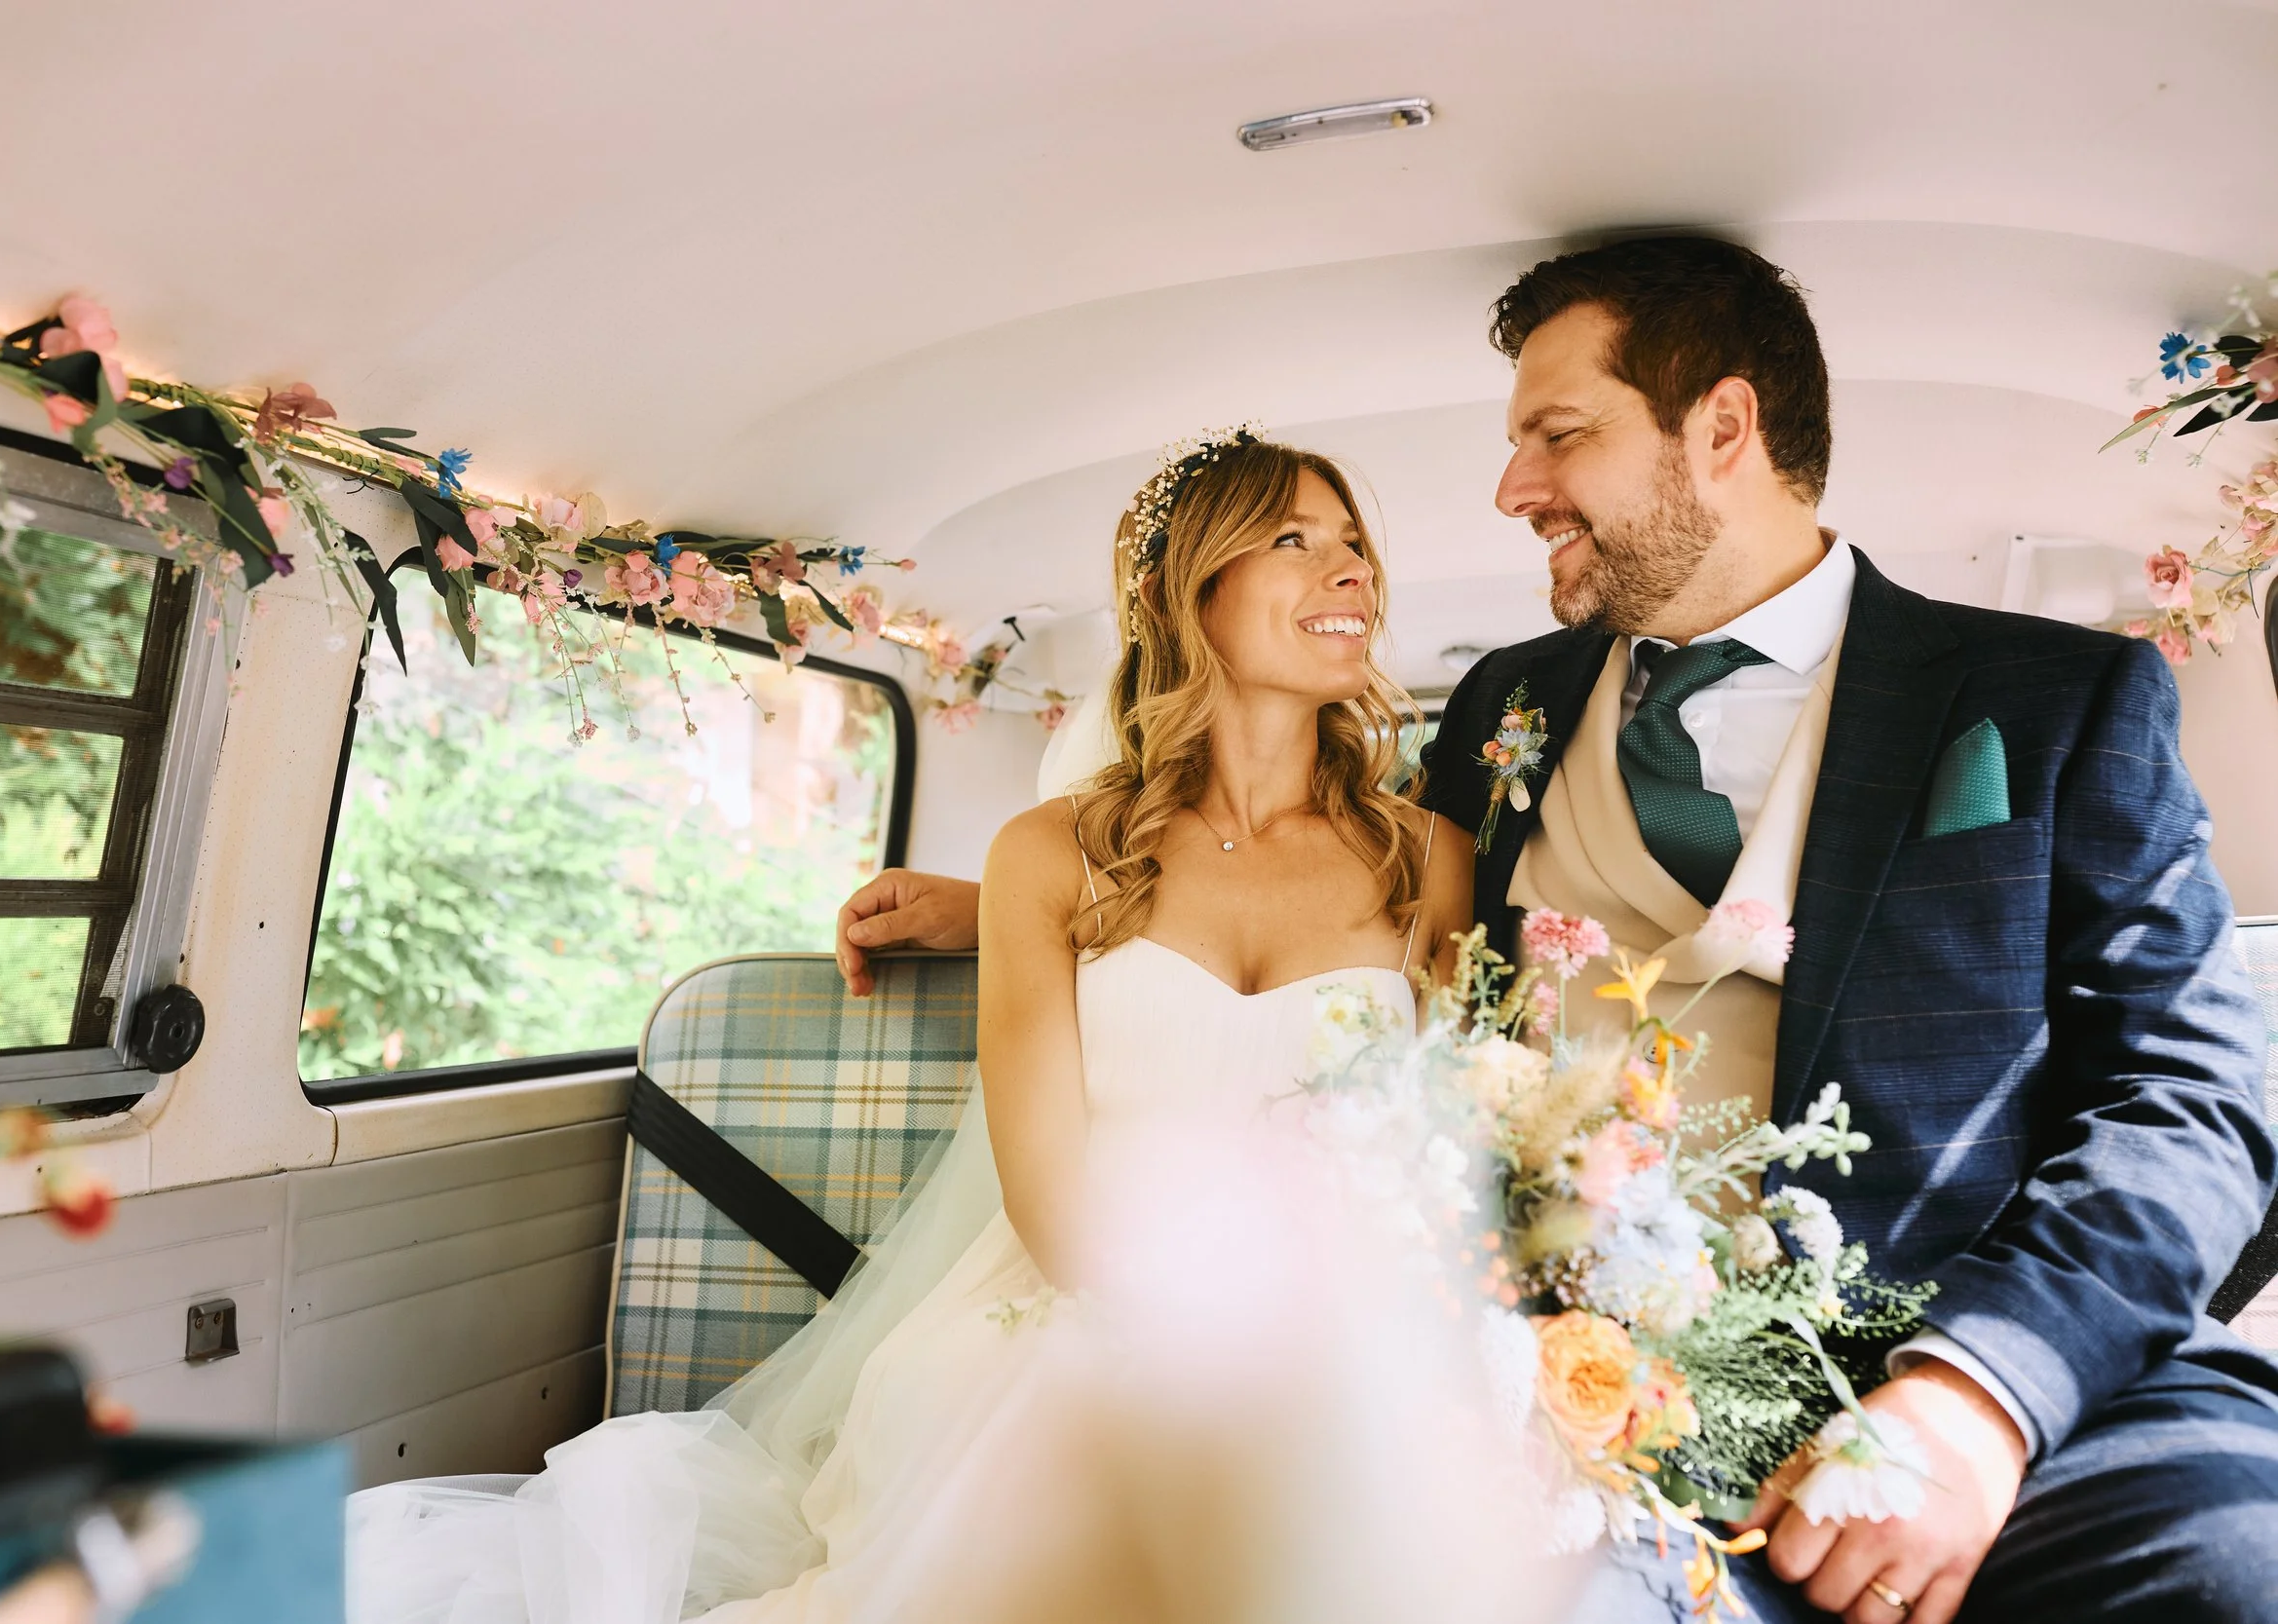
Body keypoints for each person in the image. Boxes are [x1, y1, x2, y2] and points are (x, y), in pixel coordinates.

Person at [836, 235, 2278, 1623]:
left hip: (2010, 1390)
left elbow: (2194, 1097)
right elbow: (1308, 878)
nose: (1513, 484)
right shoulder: (1503, 706)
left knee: (2234, 1568)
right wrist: (1020, 913)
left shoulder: (2056, 697)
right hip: (1600, 1408)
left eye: (1559, 434)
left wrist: (1980, 1394)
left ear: (1722, 428)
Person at [344, 434, 1488, 1624]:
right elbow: (1052, 1208)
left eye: (1355, 544)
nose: (1350, 572)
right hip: (1082, 1322)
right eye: (1295, 542)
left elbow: (1451, 1162)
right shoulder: (1051, 855)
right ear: (1179, 593)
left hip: (1348, 1332)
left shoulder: (1427, 860)